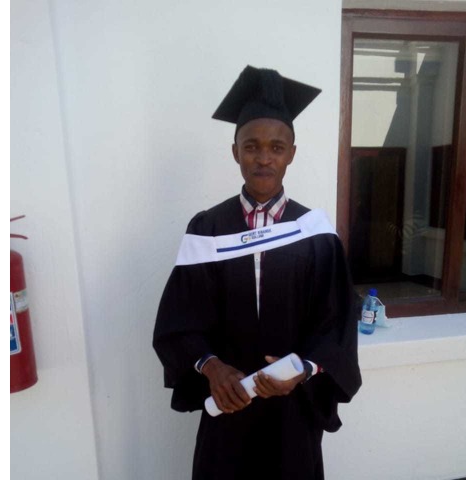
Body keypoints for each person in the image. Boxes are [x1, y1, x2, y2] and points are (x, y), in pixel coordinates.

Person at [153, 65, 361, 480]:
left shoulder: (315, 234)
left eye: (276, 147)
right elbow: (178, 321)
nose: (264, 158)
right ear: (235, 152)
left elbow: (337, 323)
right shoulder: (207, 229)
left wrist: (304, 368)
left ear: (291, 154)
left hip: (294, 412)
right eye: (251, 146)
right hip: (229, 403)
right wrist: (212, 367)